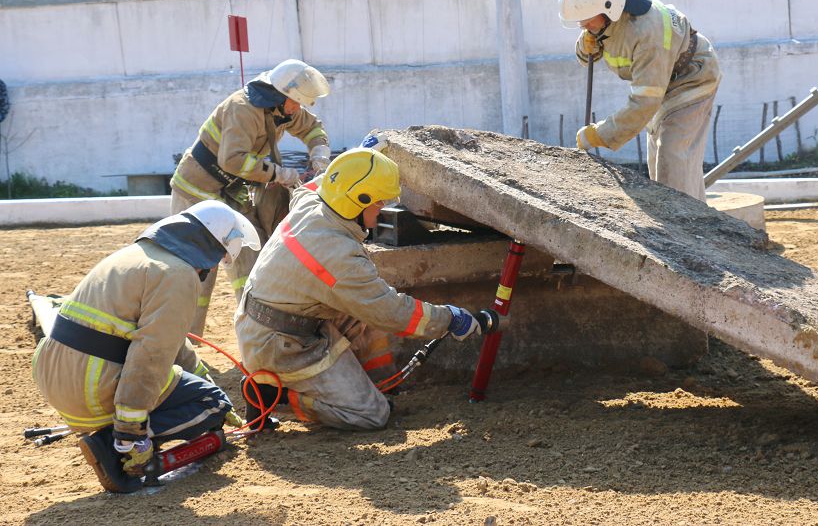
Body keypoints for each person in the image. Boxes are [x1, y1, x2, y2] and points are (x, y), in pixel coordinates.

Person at [234, 147, 483, 431]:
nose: (381, 209)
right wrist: (449, 318)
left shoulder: (313, 202)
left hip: (270, 321)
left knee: (363, 314)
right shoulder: (338, 256)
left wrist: (369, 154)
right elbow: (390, 311)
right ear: (357, 202)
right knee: (371, 415)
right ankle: (270, 393)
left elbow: (332, 180)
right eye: (378, 203)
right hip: (281, 347)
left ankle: (376, 386)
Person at [30, 200, 261, 493]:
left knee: (206, 393)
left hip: (55, 375)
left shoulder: (136, 255)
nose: (214, 267)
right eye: (217, 259)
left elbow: (172, 340)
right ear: (209, 249)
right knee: (211, 404)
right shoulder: (178, 275)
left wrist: (205, 381)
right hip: (89, 386)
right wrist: (130, 432)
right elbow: (151, 356)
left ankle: (122, 431)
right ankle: (111, 445)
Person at [170, 58, 332, 335]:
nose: (298, 109)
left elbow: (312, 128)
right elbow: (232, 160)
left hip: (232, 193)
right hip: (196, 192)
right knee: (197, 269)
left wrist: (320, 153)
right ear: (280, 95)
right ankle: (183, 340)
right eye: (296, 102)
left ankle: (255, 330)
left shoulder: (282, 109)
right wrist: (278, 174)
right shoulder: (242, 109)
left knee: (253, 258)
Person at [558, 0, 722, 201]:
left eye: (587, 20)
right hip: (664, 80)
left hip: (692, 78)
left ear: (608, 9)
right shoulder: (607, 20)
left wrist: (600, 134)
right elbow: (589, 53)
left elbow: (644, 103)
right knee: (662, 168)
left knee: (673, 160)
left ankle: (686, 223)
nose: (583, 25)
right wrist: (586, 46)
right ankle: (691, 219)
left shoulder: (646, 32)